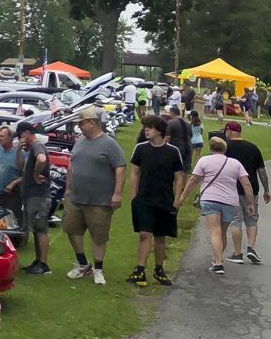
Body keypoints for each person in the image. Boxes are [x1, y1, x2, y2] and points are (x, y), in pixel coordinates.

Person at [62, 107, 126, 285]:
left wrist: (117, 194)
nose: (79, 127)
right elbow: (71, 165)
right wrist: (68, 188)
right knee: (71, 229)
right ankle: (83, 264)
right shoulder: (80, 141)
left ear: (92, 123)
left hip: (99, 200)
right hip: (76, 197)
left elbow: (120, 168)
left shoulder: (109, 144)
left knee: (98, 235)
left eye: (81, 123)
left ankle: (98, 269)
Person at [177, 136, 256, 275]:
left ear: (210, 148)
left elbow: (194, 180)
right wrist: (250, 203)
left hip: (210, 199)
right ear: (225, 149)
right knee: (222, 231)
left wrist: (183, 196)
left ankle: (218, 262)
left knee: (215, 231)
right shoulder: (235, 163)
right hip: (230, 201)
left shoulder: (204, 161)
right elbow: (247, 184)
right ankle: (217, 258)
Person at [126, 115, 186, 286]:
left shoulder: (173, 151)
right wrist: (133, 195)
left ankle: (159, 269)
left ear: (159, 131)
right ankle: (140, 269)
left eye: (150, 128)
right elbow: (135, 172)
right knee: (145, 234)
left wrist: (177, 199)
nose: (146, 130)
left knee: (160, 235)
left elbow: (179, 177)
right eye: (145, 127)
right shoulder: (140, 149)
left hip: (165, 199)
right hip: (144, 198)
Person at [216, 121, 269, 264]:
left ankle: (237, 253)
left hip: (231, 190)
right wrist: (267, 190)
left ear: (229, 131)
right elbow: (261, 171)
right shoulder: (253, 148)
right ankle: (251, 247)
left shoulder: (226, 148)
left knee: (236, 221)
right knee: (252, 219)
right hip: (251, 189)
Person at [17, 123, 54, 274]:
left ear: (26, 133)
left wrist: (35, 174)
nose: (20, 139)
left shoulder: (37, 146)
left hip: (38, 195)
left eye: (20, 136)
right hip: (31, 196)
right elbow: (20, 167)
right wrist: (19, 149)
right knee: (35, 230)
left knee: (40, 229)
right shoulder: (29, 149)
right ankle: (38, 261)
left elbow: (42, 159)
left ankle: (44, 264)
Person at [0, 126, 24, 260]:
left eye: (2, 136)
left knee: (12, 220)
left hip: (11, 193)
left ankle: (14, 247)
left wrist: (13, 184)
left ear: (10, 138)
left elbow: (25, 175)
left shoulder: (19, 153)